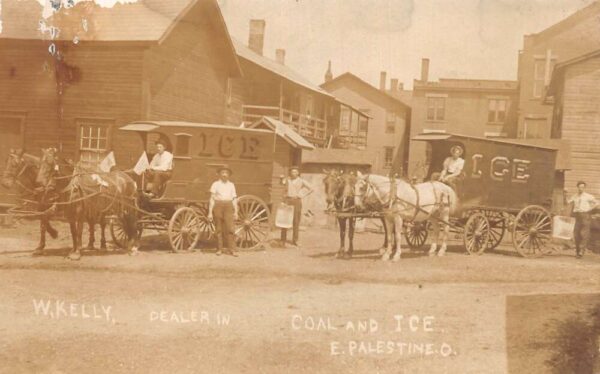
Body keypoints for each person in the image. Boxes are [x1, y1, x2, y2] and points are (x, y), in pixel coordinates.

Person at [208, 166, 239, 256]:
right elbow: (212, 199)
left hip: (228, 206)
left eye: (226, 173)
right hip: (218, 205)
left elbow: (234, 199)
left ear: (229, 175)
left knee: (230, 228)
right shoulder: (215, 184)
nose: (225, 175)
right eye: (223, 173)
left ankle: (232, 249)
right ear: (219, 174)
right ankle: (219, 249)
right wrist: (210, 212)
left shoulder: (231, 185)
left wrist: (236, 212)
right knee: (218, 228)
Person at [279, 166, 313, 247]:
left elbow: (311, 188)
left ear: (298, 173)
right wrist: (281, 179)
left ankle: (295, 240)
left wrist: (302, 195)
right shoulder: (288, 180)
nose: (293, 173)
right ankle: (282, 240)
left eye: (295, 172)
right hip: (287, 200)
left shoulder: (301, 181)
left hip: (296, 201)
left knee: (296, 221)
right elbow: (281, 183)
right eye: (292, 171)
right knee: (285, 221)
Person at [567, 181, 597, 258]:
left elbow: (597, 203)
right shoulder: (575, 196)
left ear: (584, 188)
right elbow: (568, 202)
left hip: (585, 215)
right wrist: (564, 195)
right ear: (577, 187)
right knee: (576, 234)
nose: (581, 189)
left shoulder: (588, 196)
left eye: (583, 187)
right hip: (577, 216)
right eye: (580, 187)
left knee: (584, 234)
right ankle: (577, 251)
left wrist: (589, 209)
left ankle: (581, 251)